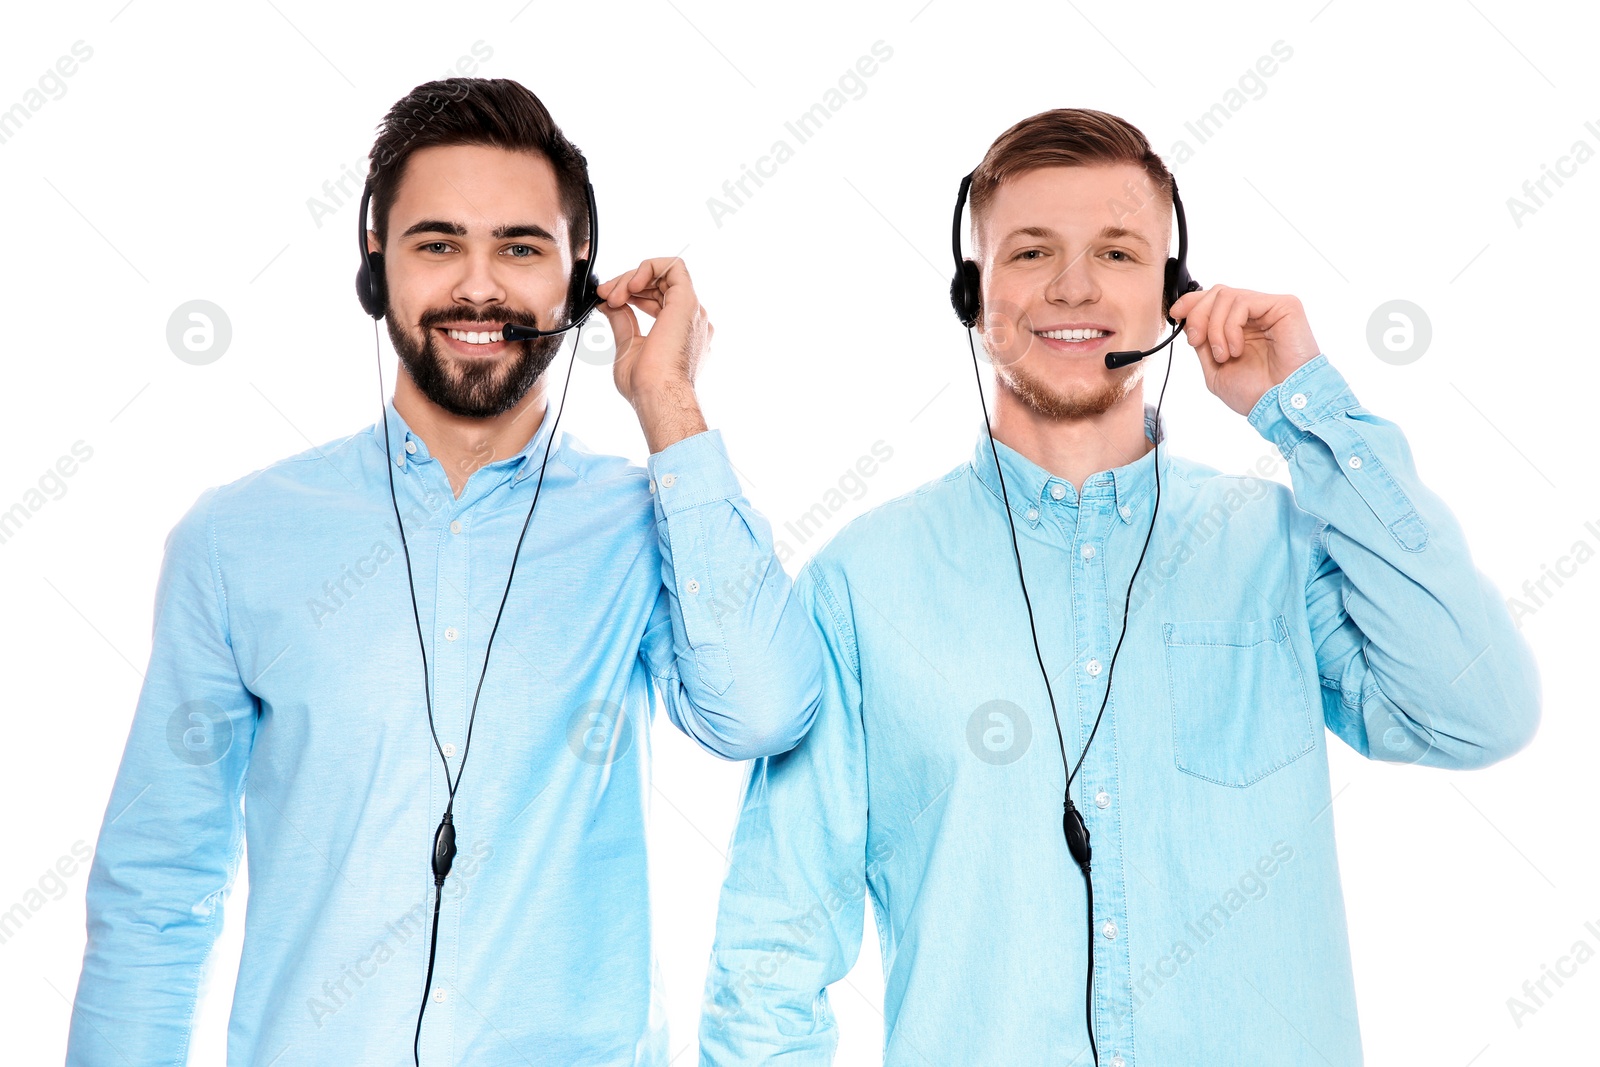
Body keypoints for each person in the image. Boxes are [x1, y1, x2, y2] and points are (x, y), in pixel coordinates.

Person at [698, 108, 1540, 1066]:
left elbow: (1482, 711)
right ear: (970, 293)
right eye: (1028, 253)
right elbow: (771, 958)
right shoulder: (862, 581)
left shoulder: (1279, 545)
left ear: (1173, 294)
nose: (1074, 286)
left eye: (1119, 252)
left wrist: (1305, 409)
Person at [65, 77, 822, 1066]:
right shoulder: (235, 539)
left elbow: (763, 712)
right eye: (437, 244)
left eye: (519, 246)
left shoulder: (650, 521)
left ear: (578, 276)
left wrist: (670, 404)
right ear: (375, 268)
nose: (479, 286)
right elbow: (158, 891)